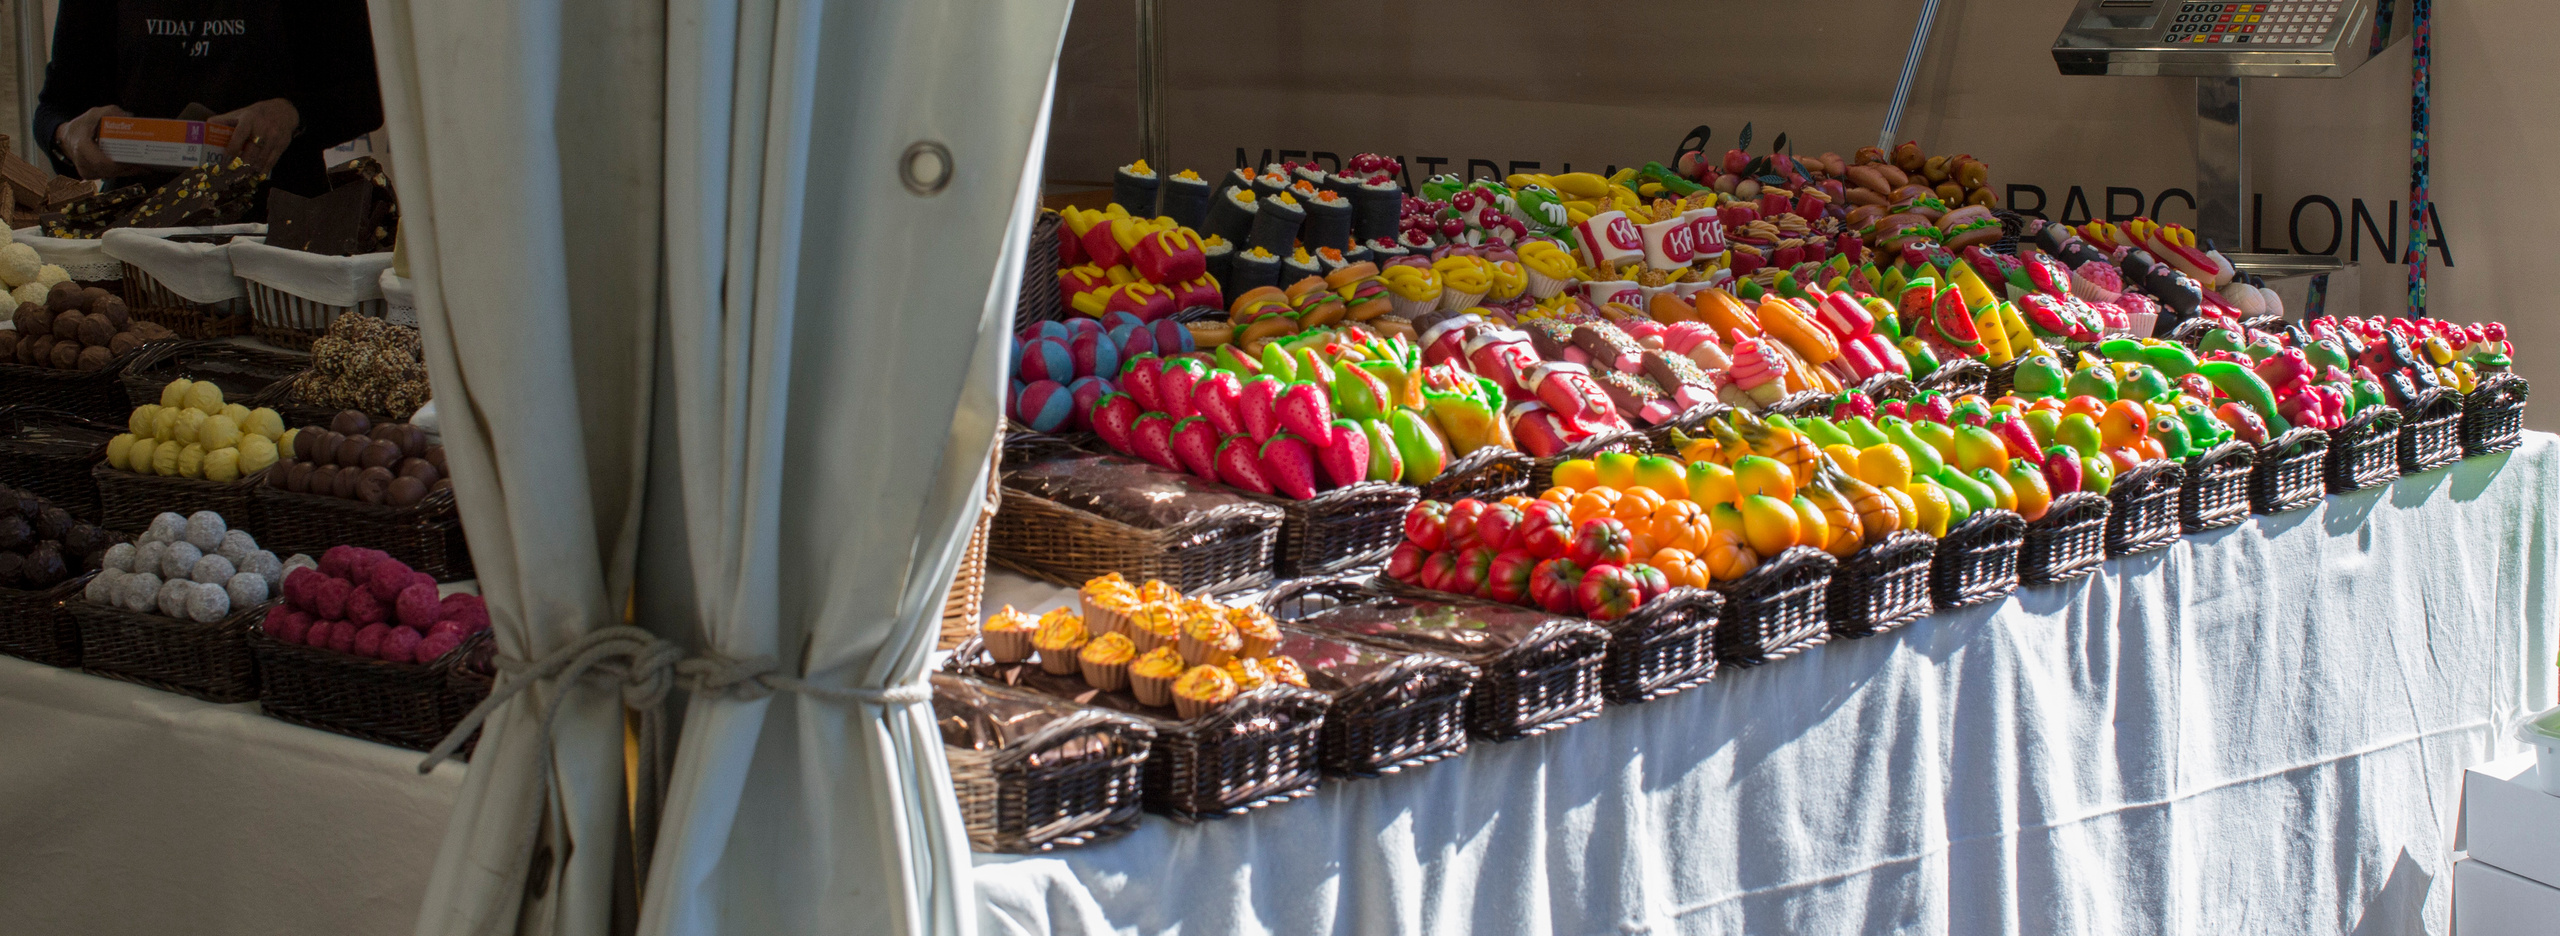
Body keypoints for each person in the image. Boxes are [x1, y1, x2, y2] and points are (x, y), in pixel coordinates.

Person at [33, 0, 384, 201]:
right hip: (138, 237)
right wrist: (68, 138)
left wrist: (292, 113)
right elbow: (55, 109)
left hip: (283, 238)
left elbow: (366, 96)